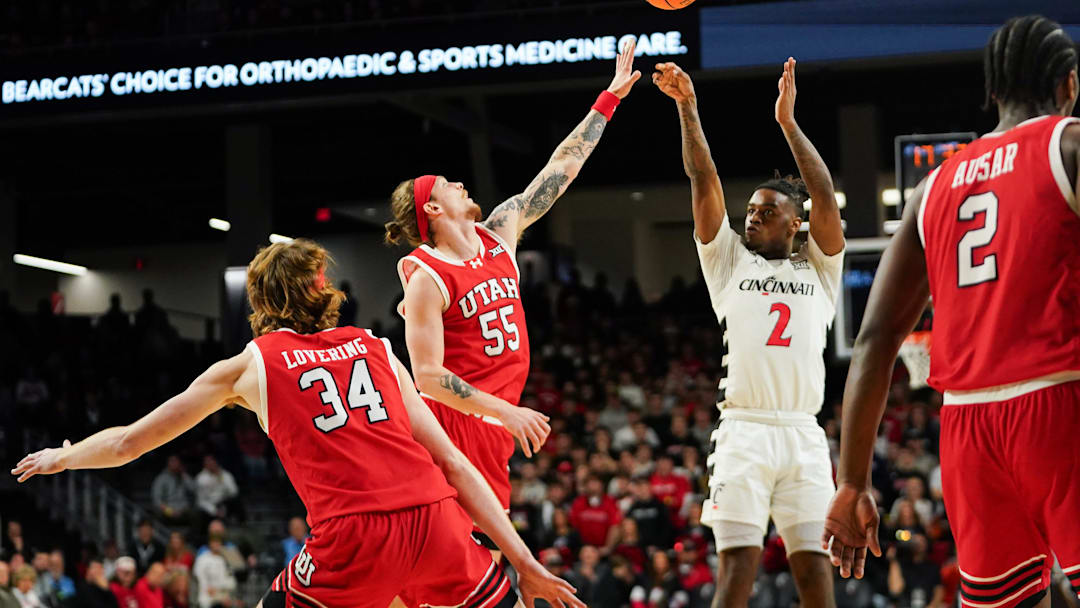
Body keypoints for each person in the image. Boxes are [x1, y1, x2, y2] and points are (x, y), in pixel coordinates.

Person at [11, 238, 579, 608]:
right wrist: (525, 562)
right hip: (437, 523)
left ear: (260, 300)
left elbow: (132, 443)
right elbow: (453, 464)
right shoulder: (376, 345)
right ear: (319, 289)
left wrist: (64, 456)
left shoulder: (251, 364)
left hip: (354, 536)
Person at [822, 15, 1080, 607]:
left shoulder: (932, 189)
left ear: (992, 93)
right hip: (1061, 404)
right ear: (1068, 85)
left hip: (967, 431)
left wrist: (852, 482)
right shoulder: (1069, 145)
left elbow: (875, 340)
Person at [385, 39, 641, 561]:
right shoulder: (427, 278)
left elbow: (560, 169)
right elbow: (428, 378)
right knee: (468, 562)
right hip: (458, 424)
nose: (461, 182)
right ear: (432, 207)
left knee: (474, 563)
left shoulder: (500, 231)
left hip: (491, 424)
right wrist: (508, 412)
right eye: (449, 184)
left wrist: (608, 99)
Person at [655, 56, 845, 608]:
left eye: (766, 211)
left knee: (816, 579)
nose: (752, 217)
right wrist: (688, 107)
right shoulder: (728, 261)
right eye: (751, 209)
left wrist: (789, 124)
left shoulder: (820, 267)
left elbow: (825, 194)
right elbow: (703, 176)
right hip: (743, 432)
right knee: (736, 574)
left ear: (795, 224)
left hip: (805, 435)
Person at [150, 455, 196, 526]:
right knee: (158, 514)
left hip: (184, 509)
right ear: (168, 463)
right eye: (172, 461)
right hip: (168, 509)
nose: (175, 464)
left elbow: (193, 489)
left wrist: (183, 474)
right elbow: (157, 500)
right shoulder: (161, 478)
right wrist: (169, 511)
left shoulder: (184, 476)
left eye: (176, 462)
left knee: (196, 513)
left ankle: (192, 536)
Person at [194, 455, 239, 521]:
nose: (210, 464)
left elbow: (234, 492)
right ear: (204, 465)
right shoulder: (200, 478)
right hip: (209, 506)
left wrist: (221, 479)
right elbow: (201, 501)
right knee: (201, 513)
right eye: (208, 462)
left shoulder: (225, 475)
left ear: (216, 462)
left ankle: (242, 526)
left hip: (224, 503)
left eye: (212, 461)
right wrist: (214, 511)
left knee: (236, 502)